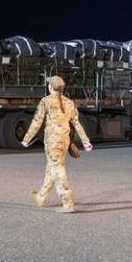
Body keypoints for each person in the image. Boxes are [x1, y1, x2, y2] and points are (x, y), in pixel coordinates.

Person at [21, 75, 93, 213]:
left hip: (53, 141)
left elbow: (37, 122)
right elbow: (76, 123)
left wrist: (26, 139)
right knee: (51, 168)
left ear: (50, 87)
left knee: (57, 170)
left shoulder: (46, 101)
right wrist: (85, 141)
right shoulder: (69, 102)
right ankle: (41, 197)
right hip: (64, 140)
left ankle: (68, 203)